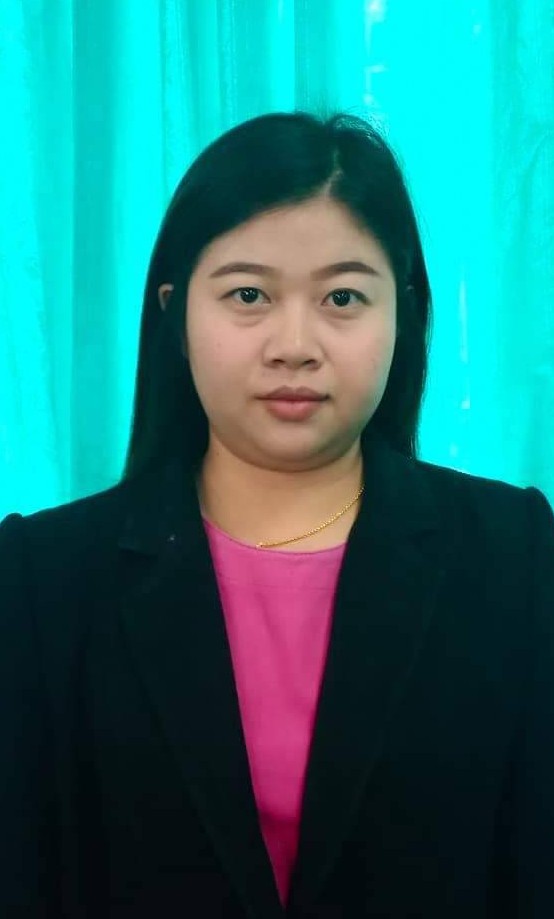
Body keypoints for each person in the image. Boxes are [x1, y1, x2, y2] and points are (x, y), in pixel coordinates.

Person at [1, 110, 553, 918]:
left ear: (401, 313)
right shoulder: (40, 580)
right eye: (249, 295)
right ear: (175, 314)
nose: (295, 344)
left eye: (342, 297)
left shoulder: (516, 557)